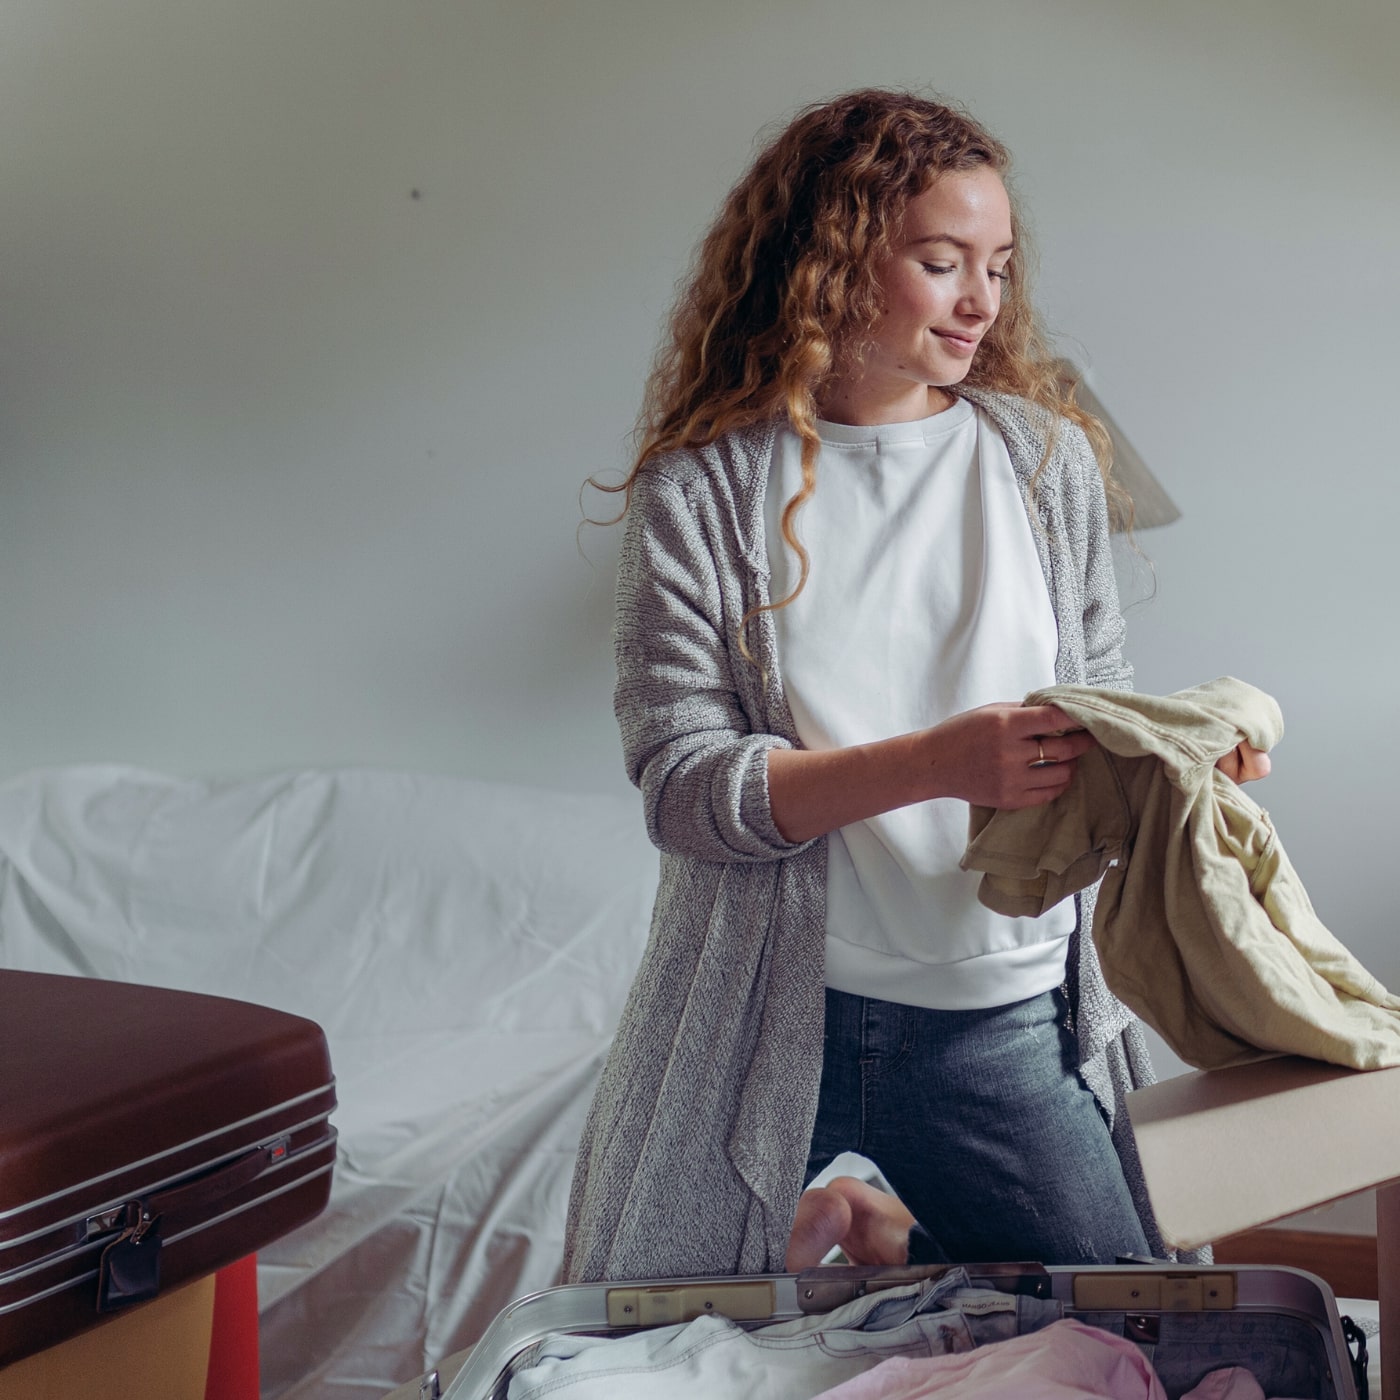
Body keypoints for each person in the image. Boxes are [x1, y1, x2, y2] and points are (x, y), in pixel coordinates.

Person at [562, 88, 1268, 1285]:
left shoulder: (1044, 462)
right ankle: (870, 1226)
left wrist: (1167, 761)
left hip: (998, 1017)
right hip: (755, 1023)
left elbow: (1093, 697)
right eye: (941, 262)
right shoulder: (699, 494)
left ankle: (889, 1232)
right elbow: (683, 790)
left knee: (1146, 1327)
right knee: (626, 1343)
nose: (982, 301)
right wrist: (933, 763)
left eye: (995, 263)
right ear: (827, 264)